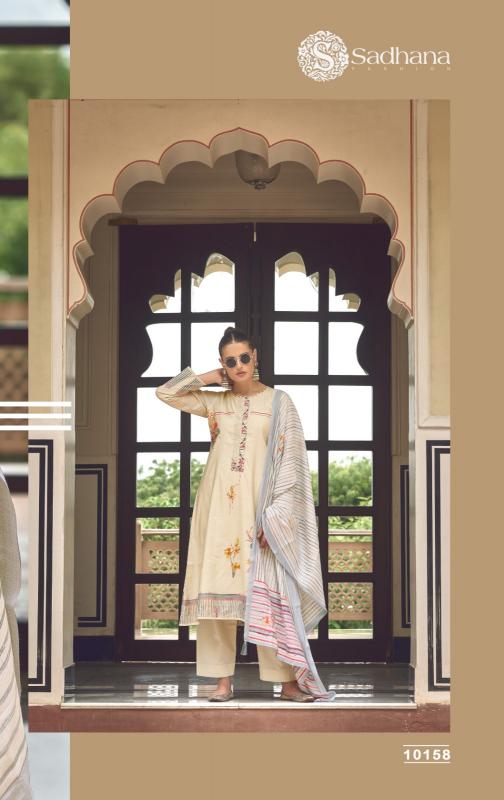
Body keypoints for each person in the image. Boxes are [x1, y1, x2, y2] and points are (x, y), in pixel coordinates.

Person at [155, 326, 316, 702]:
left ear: (255, 356)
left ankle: (286, 682)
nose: (239, 365)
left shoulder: (279, 402)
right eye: (230, 361)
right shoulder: (215, 403)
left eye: (244, 357)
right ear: (222, 364)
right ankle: (222, 682)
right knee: (216, 593)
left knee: (272, 594)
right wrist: (207, 378)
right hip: (218, 510)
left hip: (262, 512)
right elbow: (165, 392)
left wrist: (276, 517)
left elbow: (291, 462)